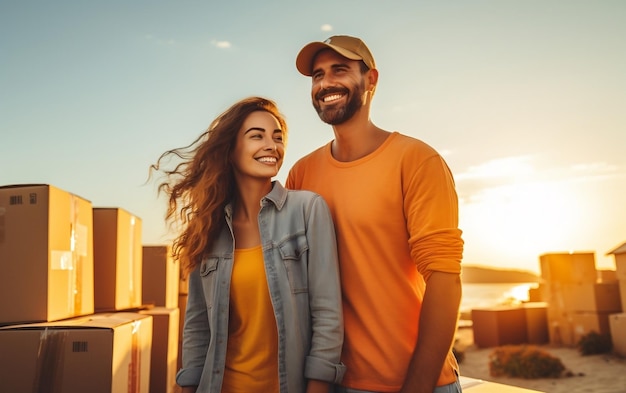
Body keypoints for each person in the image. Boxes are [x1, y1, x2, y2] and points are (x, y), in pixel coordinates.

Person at [287, 35, 464, 393]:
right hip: (329, 380)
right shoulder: (301, 174)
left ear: (371, 80)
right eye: (317, 75)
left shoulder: (416, 160)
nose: (325, 83)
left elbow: (445, 280)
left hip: (415, 383)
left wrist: (416, 388)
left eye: (340, 70)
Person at [151, 96, 346, 393]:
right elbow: (197, 325)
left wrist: (317, 387)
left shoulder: (307, 210)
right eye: (257, 136)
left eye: (277, 137)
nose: (272, 145)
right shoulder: (207, 228)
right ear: (231, 149)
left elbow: (327, 312)